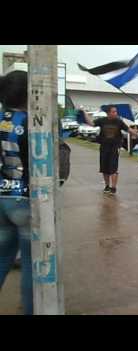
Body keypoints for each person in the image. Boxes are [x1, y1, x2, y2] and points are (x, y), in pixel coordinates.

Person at [0, 70, 33, 314]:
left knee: (2, 259)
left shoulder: (1, 118)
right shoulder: (31, 123)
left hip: (1, 197)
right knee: (33, 265)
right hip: (22, 198)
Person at [83, 106, 136, 195]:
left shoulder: (119, 121)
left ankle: (113, 187)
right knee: (104, 168)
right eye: (113, 112)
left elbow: (129, 130)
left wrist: (135, 131)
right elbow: (91, 123)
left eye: (116, 112)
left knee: (113, 168)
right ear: (108, 113)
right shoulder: (102, 120)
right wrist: (84, 112)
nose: (115, 113)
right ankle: (107, 186)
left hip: (115, 147)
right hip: (104, 147)